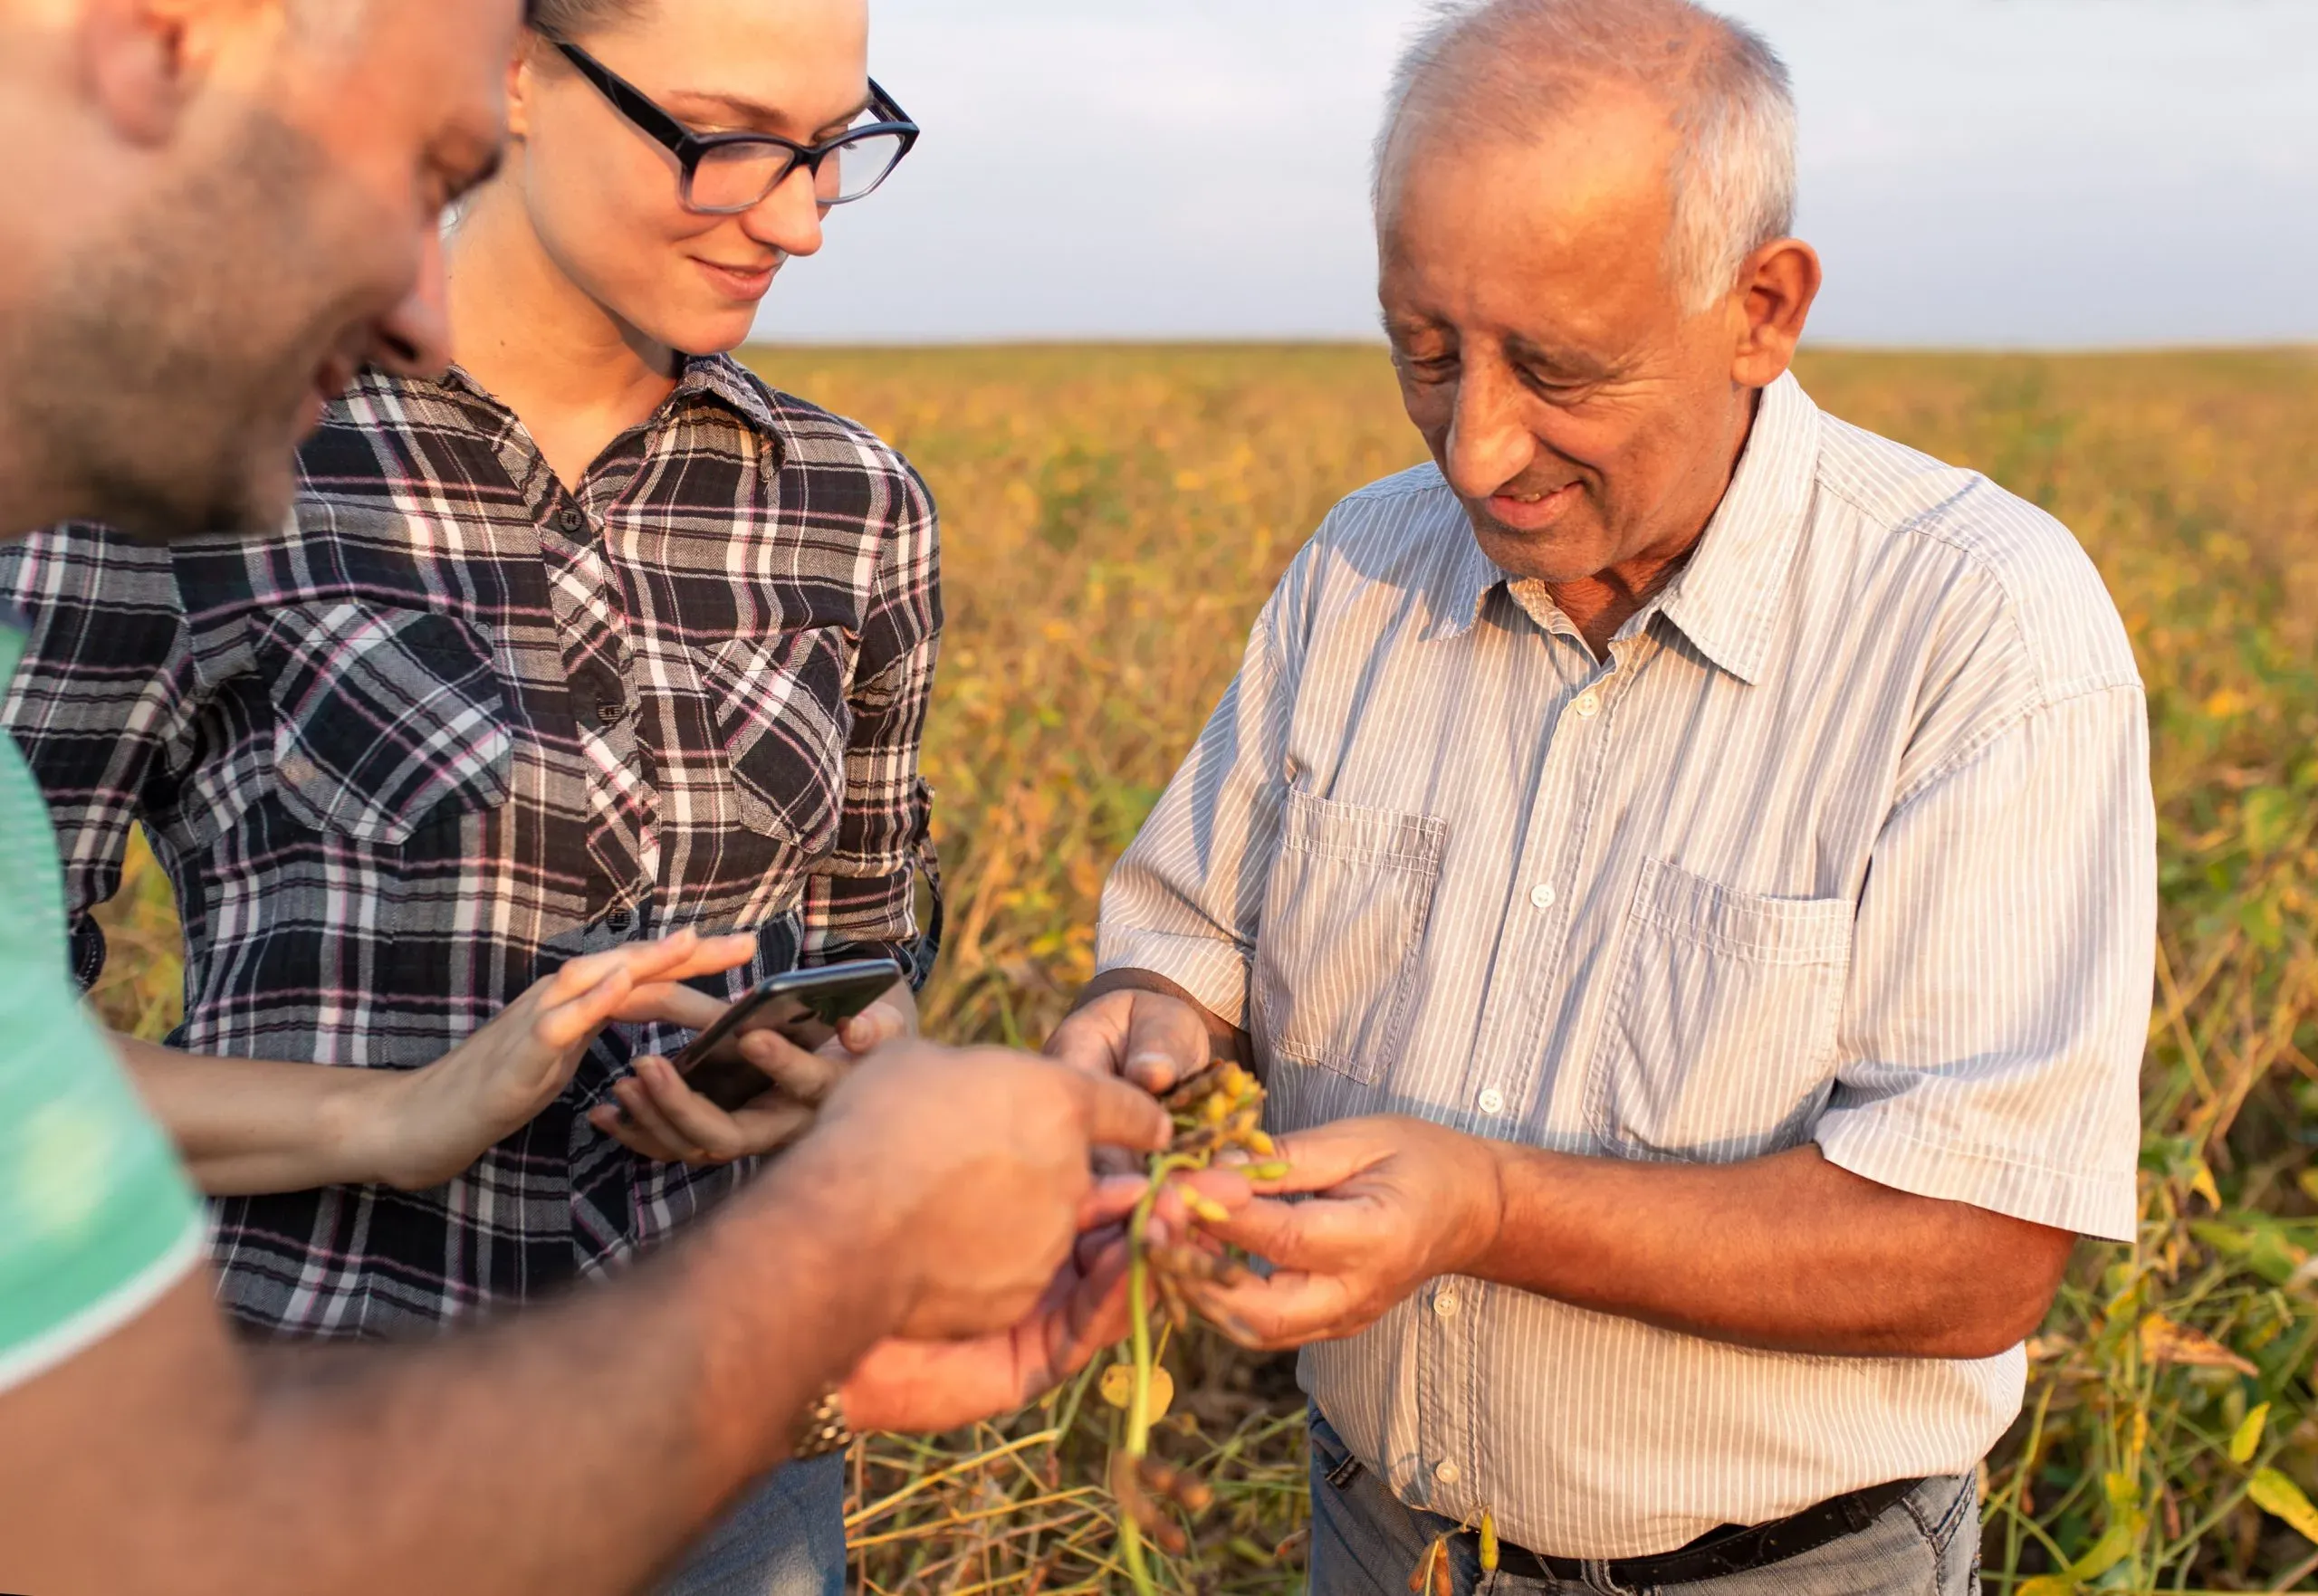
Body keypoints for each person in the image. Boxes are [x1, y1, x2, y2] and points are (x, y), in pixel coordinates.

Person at [0, 2, 1173, 1591]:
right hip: (316, 1435)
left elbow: (872, 942)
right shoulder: (204, 443)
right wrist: (373, 1122)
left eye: (836, 147)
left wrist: (830, 1083)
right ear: (525, 76)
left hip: (739, 1452)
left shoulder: (853, 505)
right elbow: (23, 1061)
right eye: (730, 139)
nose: (802, 219)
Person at [1048, 1, 2156, 1591]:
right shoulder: (1362, 568)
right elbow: (1196, 931)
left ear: (1761, 309)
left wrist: (1487, 1207)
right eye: (1425, 354)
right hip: (1379, 1533)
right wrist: (1146, 1022)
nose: (1477, 449)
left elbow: (1969, 1254)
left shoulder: (1978, 627)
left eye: (1560, 370)